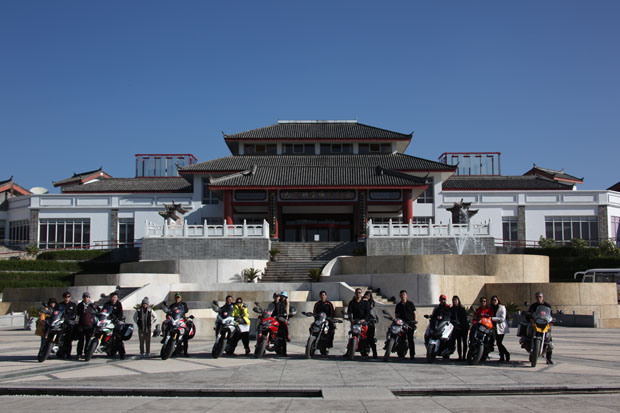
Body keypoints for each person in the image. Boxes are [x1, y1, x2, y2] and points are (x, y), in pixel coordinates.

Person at [528, 292, 554, 364]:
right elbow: (529, 313)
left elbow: (550, 315)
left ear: (543, 297)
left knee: (549, 340)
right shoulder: (533, 306)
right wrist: (529, 317)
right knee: (528, 334)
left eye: (540, 297)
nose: (538, 298)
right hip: (536, 324)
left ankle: (549, 359)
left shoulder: (547, 306)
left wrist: (552, 320)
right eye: (537, 297)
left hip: (544, 324)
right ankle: (531, 351)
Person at [347, 288, 371, 357]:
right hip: (355, 322)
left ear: (361, 294)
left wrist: (364, 320)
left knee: (366, 335)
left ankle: (367, 348)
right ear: (355, 293)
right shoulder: (352, 302)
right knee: (351, 334)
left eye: (360, 293)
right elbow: (349, 311)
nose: (358, 294)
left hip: (363, 322)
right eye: (357, 293)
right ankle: (349, 349)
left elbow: (367, 313)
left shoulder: (365, 303)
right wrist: (351, 318)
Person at [394, 289, 416, 359]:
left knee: (410, 339)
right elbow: (397, 315)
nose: (403, 296)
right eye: (401, 295)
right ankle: (401, 351)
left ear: (406, 296)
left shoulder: (411, 304)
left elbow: (414, 313)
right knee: (401, 337)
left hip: (410, 323)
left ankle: (412, 354)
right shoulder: (398, 305)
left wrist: (414, 321)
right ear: (399, 296)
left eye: (404, 294)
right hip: (402, 323)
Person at [76, 292, 98, 359]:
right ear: (83, 298)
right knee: (81, 340)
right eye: (85, 297)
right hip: (81, 325)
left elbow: (98, 311)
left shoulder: (92, 305)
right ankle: (79, 354)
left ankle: (86, 353)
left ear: (89, 298)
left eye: (87, 297)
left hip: (89, 325)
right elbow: (77, 314)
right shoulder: (80, 305)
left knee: (88, 340)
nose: (86, 298)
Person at [104, 291, 125, 359]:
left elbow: (120, 313)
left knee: (118, 337)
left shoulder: (118, 304)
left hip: (116, 322)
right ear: (110, 298)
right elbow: (103, 311)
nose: (114, 299)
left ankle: (122, 353)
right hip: (108, 322)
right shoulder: (107, 304)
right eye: (112, 297)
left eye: (115, 297)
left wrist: (118, 319)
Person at [169, 292, 190, 357]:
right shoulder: (172, 305)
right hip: (174, 320)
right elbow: (168, 311)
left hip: (181, 320)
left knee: (185, 335)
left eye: (178, 297)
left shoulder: (183, 304)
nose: (177, 299)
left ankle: (185, 352)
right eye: (176, 297)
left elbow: (186, 310)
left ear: (180, 298)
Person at [490, 296, 510, 363]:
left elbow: (502, 318)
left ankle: (506, 354)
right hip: (494, 327)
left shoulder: (502, 307)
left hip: (501, 327)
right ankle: (502, 357)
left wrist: (492, 318)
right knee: (498, 343)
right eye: (493, 300)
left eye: (495, 300)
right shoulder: (491, 308)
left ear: (498, 300)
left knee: (499, 342)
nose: (494, 301)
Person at [57, 291, 77, 359]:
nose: (67, 298)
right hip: (61, 324)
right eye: (65, 297)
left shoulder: (73, 305)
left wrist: (70, 319)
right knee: (60, 338)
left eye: (68, 297)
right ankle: (60, 352)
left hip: (69, 324)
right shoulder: (60, 305)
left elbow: (74, 314)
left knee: (68, 340)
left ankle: (68, 353)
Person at [450, 296, 469, 360]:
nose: (454, 301)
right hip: (456, 328)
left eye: (456, 300)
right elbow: (450, 317)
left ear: (458, 301)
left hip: (463, 327)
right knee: (458, 342)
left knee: (464, 341)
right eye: (453, 300)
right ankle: (460, 356)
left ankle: (464, 356)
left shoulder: (462, 308)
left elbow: (464, 318)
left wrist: (461, 324)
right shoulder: (452, 309)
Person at [363, 291, 378, 358]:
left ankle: (374, 353)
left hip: (370, 322)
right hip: (362, 322)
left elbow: (370, 308)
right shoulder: (361, 302)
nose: (367, 297)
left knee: (370, 338)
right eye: (366, 295)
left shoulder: (371, 303)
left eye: (368, 296)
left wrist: (366, 302)